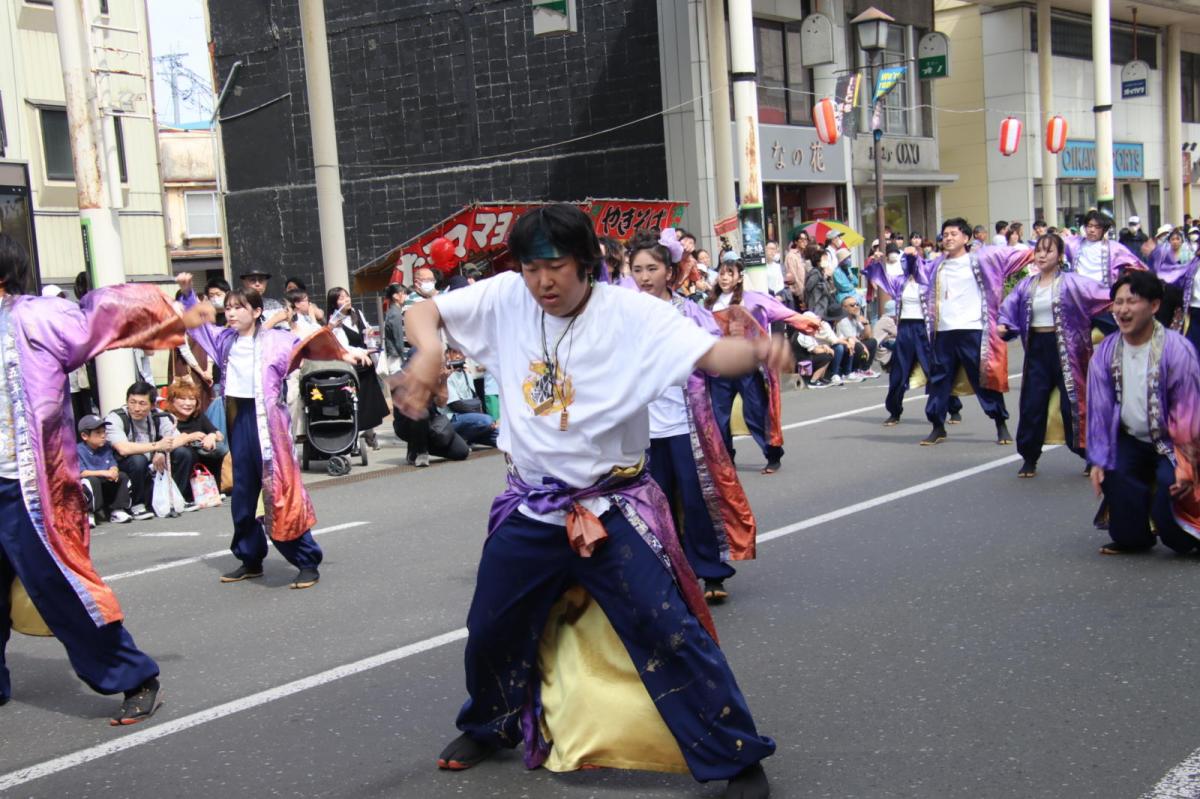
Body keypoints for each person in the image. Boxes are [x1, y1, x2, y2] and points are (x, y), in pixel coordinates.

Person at [396, 204, 777, 797]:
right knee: (491, 623)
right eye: (530, 268)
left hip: (612, 506)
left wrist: (755, 352)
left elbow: (707, 355)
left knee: (668, 629)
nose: (542, 282)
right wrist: (425, 353)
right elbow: (424, 310)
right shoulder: (506, 298)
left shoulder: (634, 315)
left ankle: (736, 754)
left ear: (588, 264)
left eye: (556, 267)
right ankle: (489, 724)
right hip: (532, 506)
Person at [0, 233, 178, 724]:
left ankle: (133, 676)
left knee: (59, 588)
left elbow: (94, 322)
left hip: (27, 483)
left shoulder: (36, 315)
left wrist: (171, 307)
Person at [177, 274, 366, 588]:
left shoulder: (277, 340)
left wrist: (346, 354)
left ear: (256, 311)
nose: (232, 313)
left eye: (239, 307)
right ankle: (250, 559)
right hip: (238, 419)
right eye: (228, 308)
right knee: (242, 495)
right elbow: (196, 325)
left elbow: (313, 344)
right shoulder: (223, 340)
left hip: (270, 427)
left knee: (280, 494)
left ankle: (307, 561)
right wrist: (186, 293)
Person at [629, 228, 762, 603]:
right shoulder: (623, 315)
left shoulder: (690, 312)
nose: (644, 277)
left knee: (697, 498)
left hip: (686, 422)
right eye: (637, 269)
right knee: (653, 505)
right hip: (641, 428)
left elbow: (716, 362)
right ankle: (666, 574)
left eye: (652, 268)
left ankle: (710, 572)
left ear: (669, 271)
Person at [1086, 270, 1200, 555]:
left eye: (1132, 302)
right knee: (1115, 475)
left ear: (1154, 306)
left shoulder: (1177, 349)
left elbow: (1188, 411)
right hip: (1130, 438)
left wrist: (1187, 462)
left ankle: (1185, 536)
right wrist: (1099, 459)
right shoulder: (1105, 352)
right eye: (1118, 302)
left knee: (1174, 506)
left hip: (1173, 443)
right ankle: (1134, 537)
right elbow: (1099, 408)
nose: (1123, 310)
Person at [997, 234, 1112, 477]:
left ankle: (1090, 455)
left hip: (1070, 352)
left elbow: (1107, 299)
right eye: (1038, 250)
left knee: (1074, 404)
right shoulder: (1026, 286)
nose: (1041, 255)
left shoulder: (1075, 283)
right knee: (1032, 404)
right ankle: (1029, 457)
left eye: (1048, 251)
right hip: (1038, 349)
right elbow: (1009, 310)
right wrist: (1005, 325)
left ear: (1059, 256)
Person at [912, 218, 1033, 446]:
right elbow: (915, 273)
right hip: (944, 331)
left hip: (973, 329)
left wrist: (1041, 249)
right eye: (945, 234)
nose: (948, 238)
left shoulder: (981, 259)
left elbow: (1016, 256)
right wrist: (910, 255)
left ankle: (1000, 423)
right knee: (939, 380)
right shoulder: (937, 265)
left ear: (966, 238)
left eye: (953, 234)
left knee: (983, 379)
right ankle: (938, 426)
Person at [706, 256, 818, 473]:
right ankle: (727, 459)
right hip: (720, 369)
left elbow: (783, 313)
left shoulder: (752, 300)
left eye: (730, 273)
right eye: (722, 273)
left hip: (747, 366)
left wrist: (806, 321)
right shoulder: (709, 304)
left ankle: (773, 454)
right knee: (719, 419)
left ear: (739, 278)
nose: (725, 278)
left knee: (756, 413)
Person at [865, 246, 964, 426]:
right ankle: (894, 411)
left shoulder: (928, 281)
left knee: (934, 370)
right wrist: (875, 260)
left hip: (924, 330)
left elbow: (942, 263)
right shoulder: (899, 282)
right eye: (905, 261)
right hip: (905, 329)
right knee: (899, 373)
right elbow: (879, 276)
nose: (907, 265)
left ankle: (953, 408)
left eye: (910, 261)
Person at [106, 381, 198, 516]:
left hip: (153, 460)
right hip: (126, 462)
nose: (136, 408)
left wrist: (161, 451)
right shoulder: (116, 417)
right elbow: (123, 448)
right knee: (138, 460)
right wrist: (157, 446)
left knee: (184, 453)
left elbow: (179, 438)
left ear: (153, 405)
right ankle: (138, 505)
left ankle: (176, 499)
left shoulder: (159, 415)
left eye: (142, 404)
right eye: (132, 402)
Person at [326, 287, 389, 450]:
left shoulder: (357, 313)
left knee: (370, 400)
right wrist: (361, 352)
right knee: (354, 401)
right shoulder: (334, 321)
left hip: (366, 362)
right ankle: (353, 436)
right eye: (341, 298)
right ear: (334, 303)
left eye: (347, 296)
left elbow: (367, 333)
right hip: (351, 364)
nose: (346, 300)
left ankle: (370, 433)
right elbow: (341, 346)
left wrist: (369, 334)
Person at [1062, 210, 1146, 333]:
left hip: (1104, 300)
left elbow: (1137, 265)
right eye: (1089, 226)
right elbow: (1052, 246)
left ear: (1104, 230)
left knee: (1116, 333)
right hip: (1079, 299)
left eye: (1096, 227)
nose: (1092, 230)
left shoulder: (1115, 248)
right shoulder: (1073, 244)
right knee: (1077, 339)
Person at [77, 414, 134, 526]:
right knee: (91, 481)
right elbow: (81, 472)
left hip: (105, 482)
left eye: (104, 432)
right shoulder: (78, 450)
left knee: (122, 476)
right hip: (91, 484)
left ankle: (117, 510)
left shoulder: (106, 447)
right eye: (98, 433)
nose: (103, 435)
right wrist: (104, 472)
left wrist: (114, 470)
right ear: (84, 435)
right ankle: (89, 513)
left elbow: (112, 462)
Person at [165, 378, 226, 478]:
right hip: (178, 467)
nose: (188, 403)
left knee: (217, 449)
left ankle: (213, 489)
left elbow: (219, 435)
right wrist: (190, 437)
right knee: (185, 453)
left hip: (202, 470)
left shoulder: (198, 416)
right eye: (183, 398)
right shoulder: (166, 418)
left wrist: (211, 436)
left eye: (192, 399)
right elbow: (165, 445)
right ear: (172, 400)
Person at [443, 347, 498, 447]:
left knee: (500, 436)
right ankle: (463, 437)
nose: (458, 356)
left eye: (461, 353)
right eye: (455, 352)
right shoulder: (446, 375)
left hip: (470, 418)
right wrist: (482, 417)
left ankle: (470, 437)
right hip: (454, 418)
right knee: (486, 421)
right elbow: (455, 405)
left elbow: (475, 400)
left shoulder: (467, 374)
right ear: (448, 355)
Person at [836, 295, 878, 378]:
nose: (856, 307)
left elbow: (868, 336)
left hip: (855, 344)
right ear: (844, 308)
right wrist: (864, 348)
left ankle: (865, 369)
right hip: (846, 346)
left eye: (857, 304)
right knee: (858, 346)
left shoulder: (855, 318)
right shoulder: (843, 320)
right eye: (852, 305)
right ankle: (853, 369)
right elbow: (852, 338)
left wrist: (866, 322)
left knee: (872, 341)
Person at [383, 282, 408, 374]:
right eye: (404, 293)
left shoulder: (394, 311)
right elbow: (399, 339)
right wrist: (404, 358)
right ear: (396, 296)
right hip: (396, 359)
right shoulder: (395, 313)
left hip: (395, 356)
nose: (406, 296)